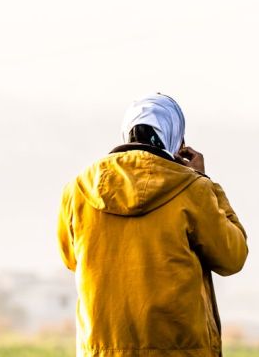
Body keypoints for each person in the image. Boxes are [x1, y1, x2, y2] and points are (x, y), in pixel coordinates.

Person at [57, 93, 248, 357]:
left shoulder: (78, 189)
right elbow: (232, 257)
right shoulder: (192, 189)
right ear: (176, 139)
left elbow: (71, 259)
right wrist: (206, 181)